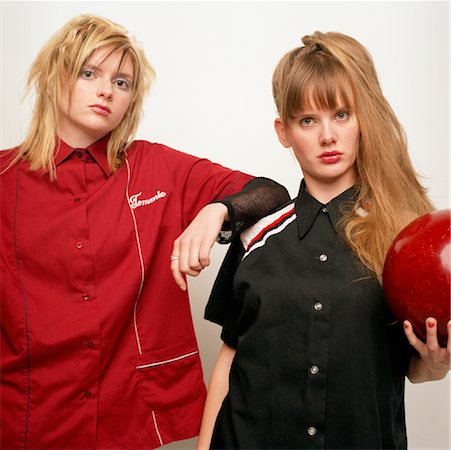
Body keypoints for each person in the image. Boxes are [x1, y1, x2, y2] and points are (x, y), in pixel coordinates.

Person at [0, 14, 290, 450]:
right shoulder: (5, 179)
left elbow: (271, 192)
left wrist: (217, 210)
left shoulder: (156, 166)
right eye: (89, 72)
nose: (106, 90)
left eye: (122, 82)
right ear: (55, 77)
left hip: (128, 420)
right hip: (29, 419)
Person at [198, 31, 451, 450]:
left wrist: (436, 364)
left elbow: (414, 366)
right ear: (284, 131)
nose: (327, 136)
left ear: (362, 119)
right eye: (308, 120)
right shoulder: (255, 234)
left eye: (342, 115)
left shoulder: (404, 241)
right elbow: (229, 356)